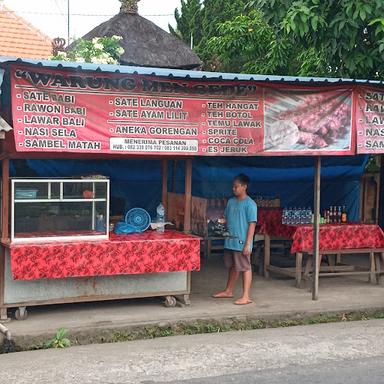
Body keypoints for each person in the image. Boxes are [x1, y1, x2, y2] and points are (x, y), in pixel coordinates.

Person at [213, 173, 257, 305]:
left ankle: (246, 296)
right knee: (232, 266)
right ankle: (228, 290)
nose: (234, 189)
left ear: (244, 187)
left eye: (236, 186)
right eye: (233, 187)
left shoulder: (250, 204)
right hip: (230, 241)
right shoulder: (231, 202)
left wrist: (248, 244)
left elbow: (252, 225)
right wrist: (217, 222)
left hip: (242, 242)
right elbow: (226, 219)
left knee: (245, 267)